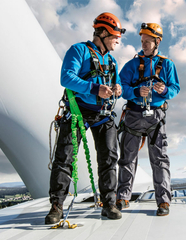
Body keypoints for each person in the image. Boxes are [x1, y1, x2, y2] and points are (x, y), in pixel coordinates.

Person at [45, 12, 125, 224]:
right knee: (64, 159)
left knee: (109, 158)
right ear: (104, 33)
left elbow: (118, 86)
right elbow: (66, 77)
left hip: (103, 114)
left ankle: (109, 204)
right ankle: (57, 205)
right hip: (77, 111)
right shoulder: (78, 50)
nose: (118, 40)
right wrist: (95, 88)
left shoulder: (112, 60)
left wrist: (118, 89)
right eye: (116, 36)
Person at [116, 23, 180, 216]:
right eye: (142, 41)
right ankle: (122, 198)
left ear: (157, 41)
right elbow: (120, 87)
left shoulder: (167, 65)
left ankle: (163, 202)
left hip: (156, 117)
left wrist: (165, 90)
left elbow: (175, 88)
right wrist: (135, 92)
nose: (143, 44)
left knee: (159, 158)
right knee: (127, 158)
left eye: (147, 41)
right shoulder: (132, 65)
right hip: (134, 115)